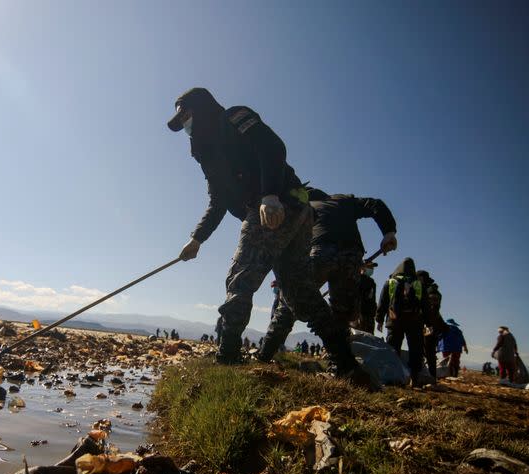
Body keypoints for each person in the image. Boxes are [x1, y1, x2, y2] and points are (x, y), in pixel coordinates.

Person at [168, 88, 373, 388]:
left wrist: (269, 194)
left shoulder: (234, 117)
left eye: (187, 116)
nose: (186, 125)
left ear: (202, 108)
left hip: (280, 205)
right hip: (287, 210)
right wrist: (197, 239)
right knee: (300, 293)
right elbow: (218, 200)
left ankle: (227, 357)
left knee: (241, 276)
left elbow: (272, 147)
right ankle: (347, 365)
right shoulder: (206, 153)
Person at [263, 189, 397, 348]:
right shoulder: (345, 200)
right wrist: (389, 232)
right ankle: (342, 363)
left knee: (289, 304)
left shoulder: (307, 205)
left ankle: (266, 351)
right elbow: (375, 204)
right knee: (342, 315)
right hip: (351, 255)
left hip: (321, 251)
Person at [376, 257, 428, 386]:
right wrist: (428, 323)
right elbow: (425, 306)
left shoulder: (391, 282)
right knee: (416, 349)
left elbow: (382, 302)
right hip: (415, 321)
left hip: (394, 320)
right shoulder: (419, 284)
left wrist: (379, 320)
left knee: (393, 349)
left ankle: (393, 377)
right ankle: (415, 378)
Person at [416, 270, 447, 379]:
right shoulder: (428, 290)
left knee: (428, 350)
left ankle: (431, 375)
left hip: (429, 326)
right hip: (429, 325)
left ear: (422, 279)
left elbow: (432, 311)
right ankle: (428, 374)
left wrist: (427, 325)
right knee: (426, 350)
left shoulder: (430, 291)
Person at [354, 263, 378, 333]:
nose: (372, 269)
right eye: (370, 267)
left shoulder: (371, 282)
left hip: (368, 315)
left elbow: (371, 299)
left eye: (372, 268)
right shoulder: (358, 280)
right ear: (363, 268)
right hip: (360, 315)